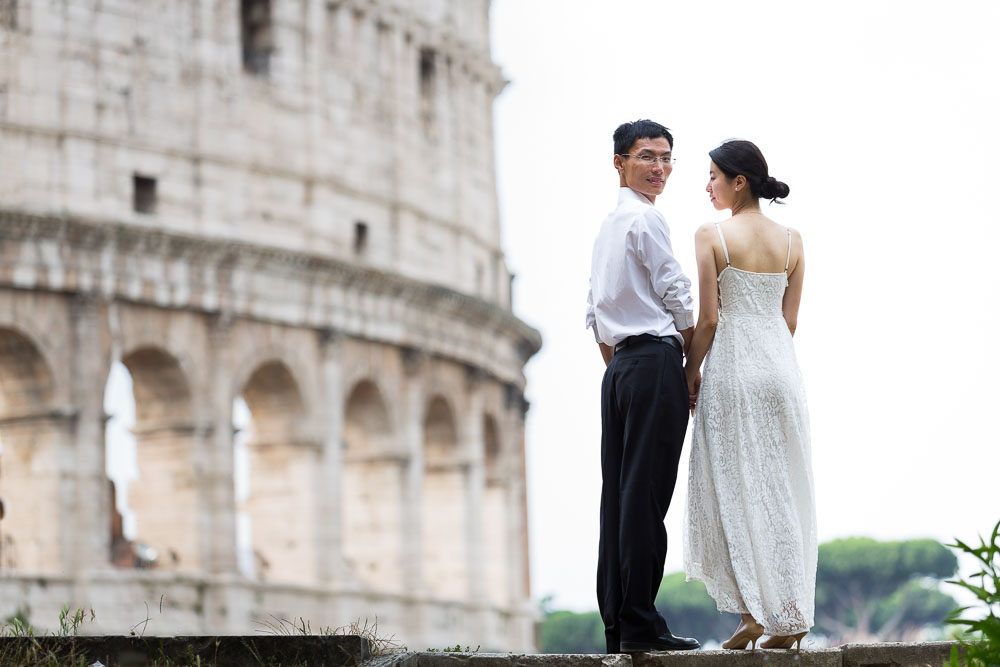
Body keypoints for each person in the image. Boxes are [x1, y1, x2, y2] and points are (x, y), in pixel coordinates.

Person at [682, 139, 816, 651]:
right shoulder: (793, 240)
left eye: (714, 175)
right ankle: (788, 611)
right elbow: (790, 320)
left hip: (733, 369)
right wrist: (771, 359)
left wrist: (691, 371)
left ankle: (751, 614)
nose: (708, 184)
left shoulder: (710, 234)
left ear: (740, 180)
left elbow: (711, 318)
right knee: (779, 486)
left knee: (734, 487)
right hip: (781, 369)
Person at [585, 119, 700, 654]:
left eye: (666, 159)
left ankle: (619, 623)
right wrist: (686, 355)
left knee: (620, 497)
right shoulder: (646, 222)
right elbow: (677, 294)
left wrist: (620, 363)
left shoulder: (609, 226)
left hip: (619, 370)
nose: (659, 168)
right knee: (645, 497)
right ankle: (641, 624)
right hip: (653, 363)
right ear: (620, 163)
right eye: (647, 157)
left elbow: (595, 312)